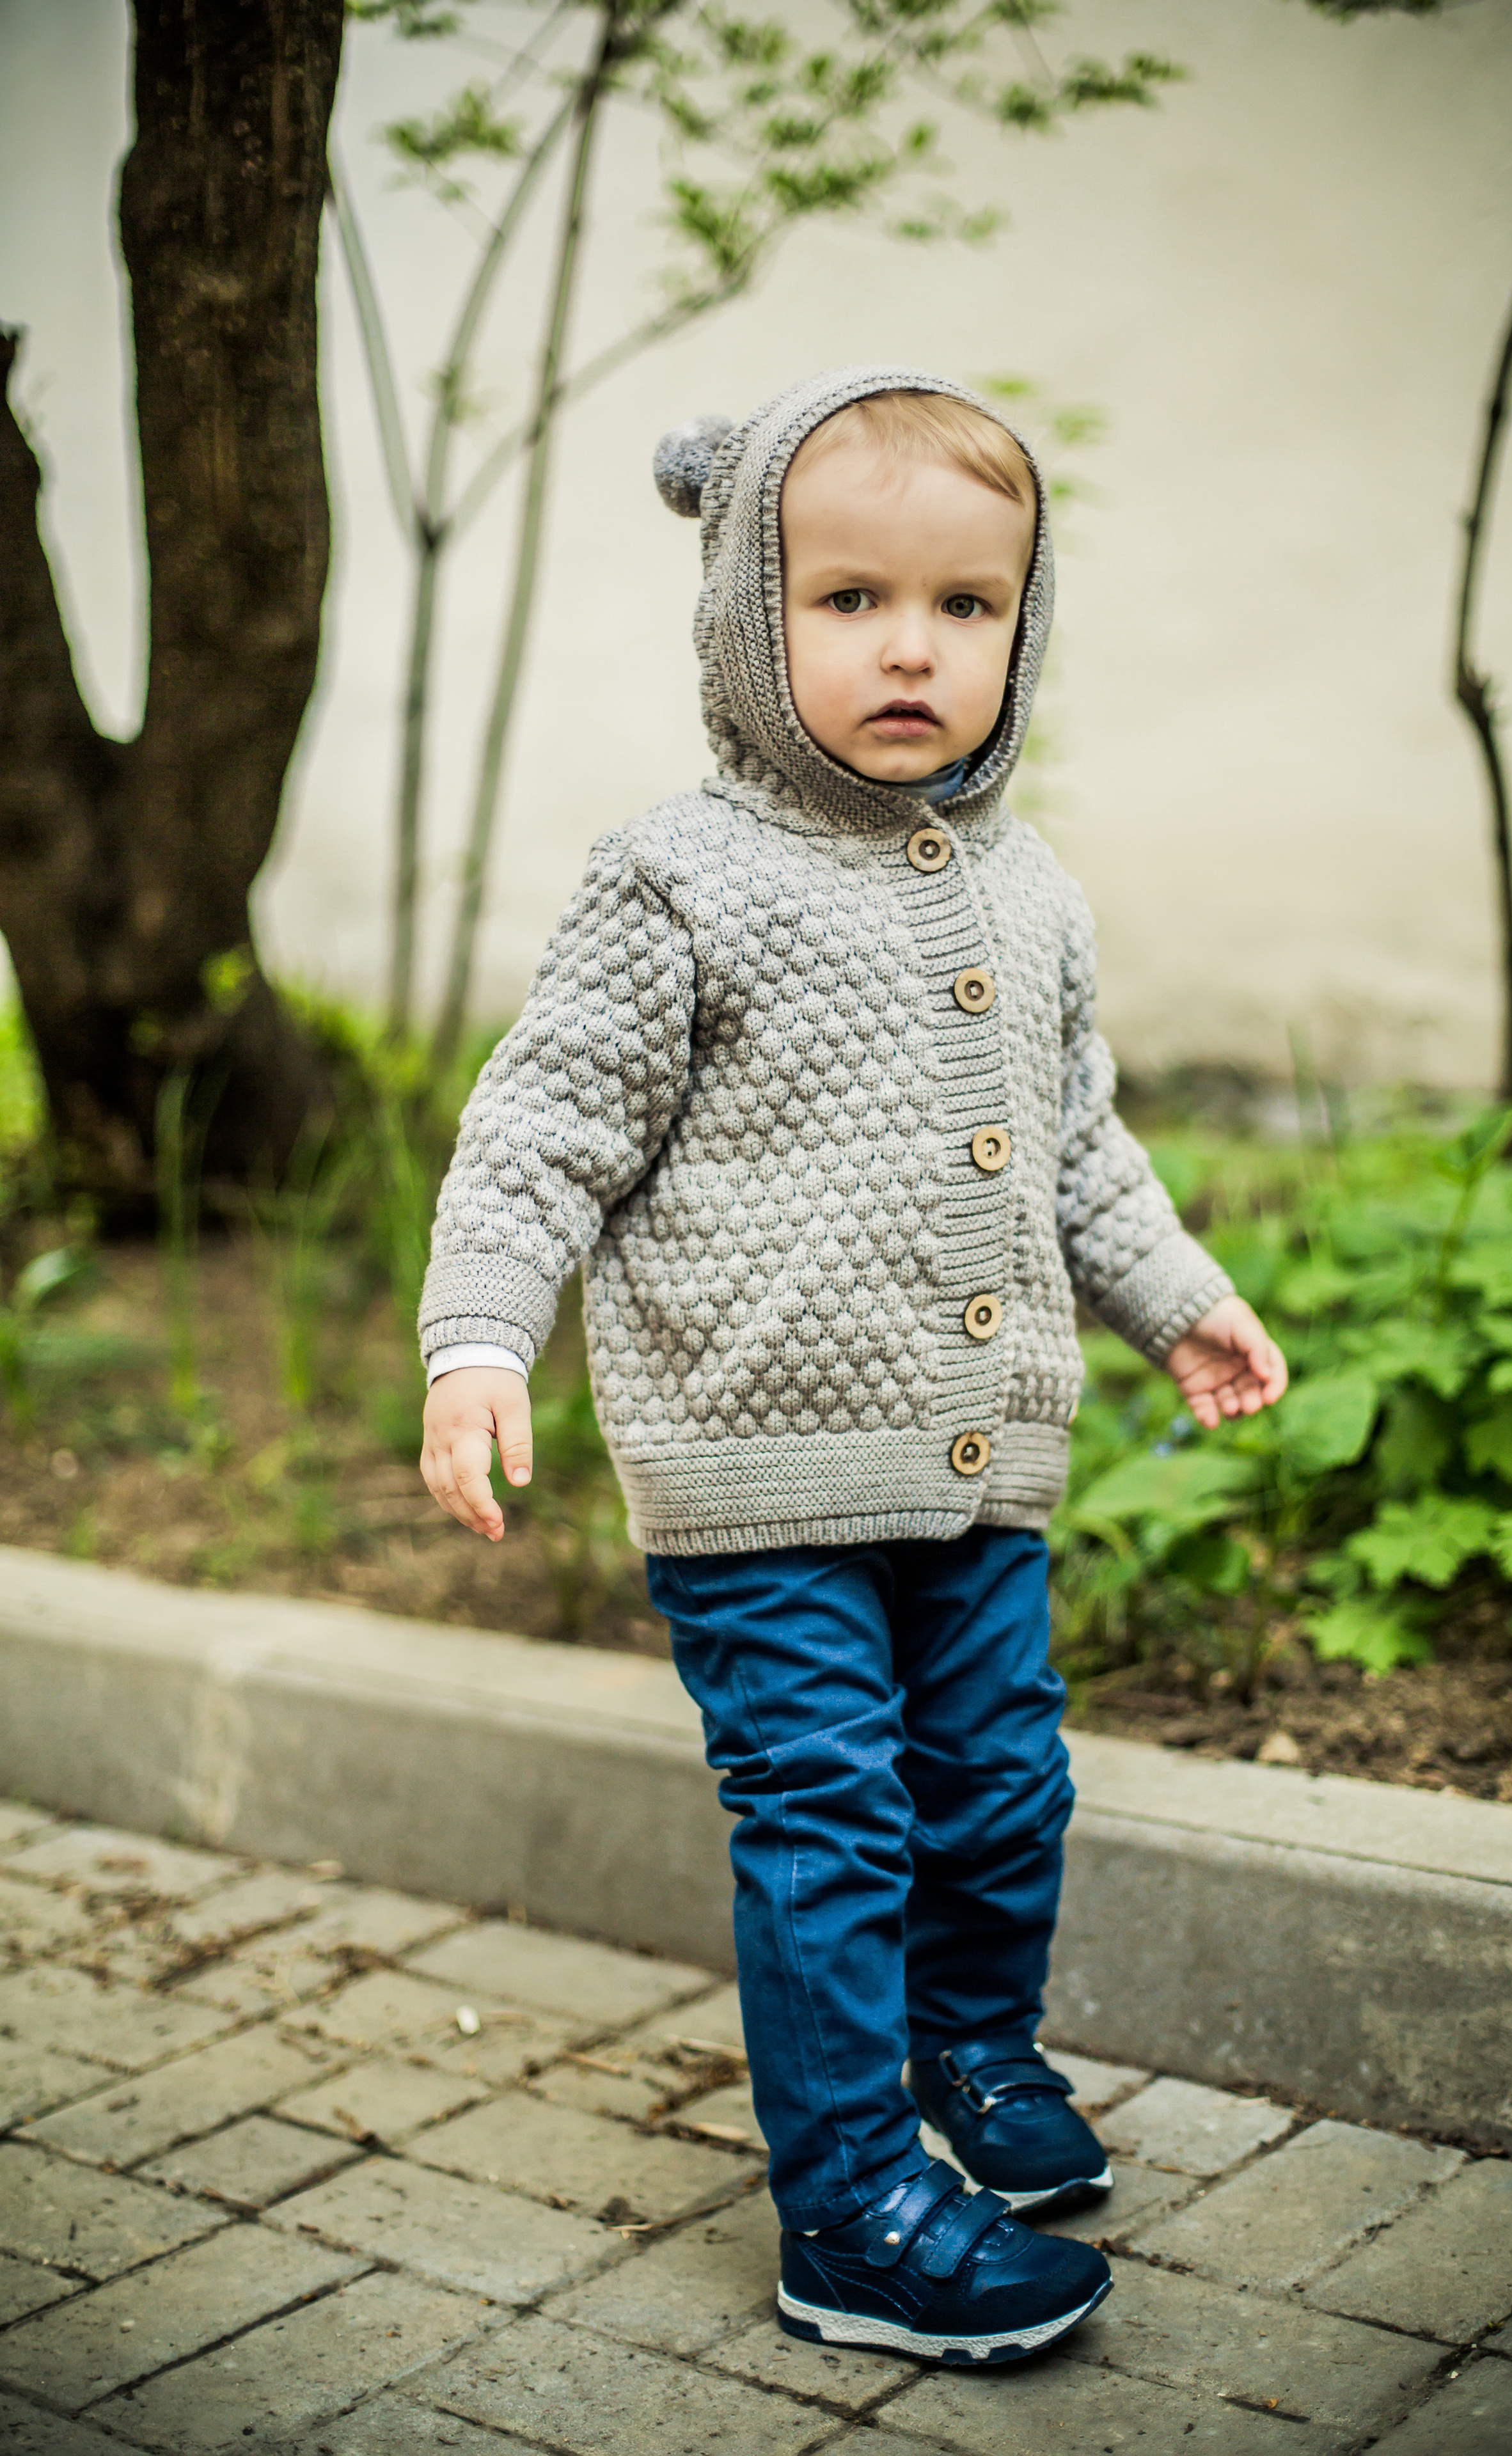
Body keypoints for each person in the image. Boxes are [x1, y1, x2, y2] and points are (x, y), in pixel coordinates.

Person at [418, 368, 1287, 2367]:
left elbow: (1074, 1139)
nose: (912, 645)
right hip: (756, 1471)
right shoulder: (678, 878)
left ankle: (974, 2067)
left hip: (972, 1468)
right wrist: (481, 1337)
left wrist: (1177, 1294)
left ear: (1022, 627)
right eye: (849, 600)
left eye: (966, 607)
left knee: (1002, 1785)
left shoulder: (1030, 884)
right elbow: (545, 1124)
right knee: (833, 1809)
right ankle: (854, 2206)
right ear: (747, 617)